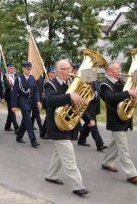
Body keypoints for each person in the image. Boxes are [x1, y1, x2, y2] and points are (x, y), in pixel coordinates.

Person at [44, 59, 89, 196]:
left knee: (59, 154)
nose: (68, 71)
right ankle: (78, 186)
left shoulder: (71, 84)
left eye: (69, 68)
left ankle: (51, 175)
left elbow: (79, 104)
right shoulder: (50, 84)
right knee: (69, 156)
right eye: (64, 69)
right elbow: (50, 101)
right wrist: (69, 96)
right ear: (57, 71)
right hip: (56, 126)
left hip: (68, 125)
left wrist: (89, 119)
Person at [100, 61, 137, 185]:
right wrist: (128, 93)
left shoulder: (121, 81)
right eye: (116, 69)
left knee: (115, 143)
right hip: (115, 119)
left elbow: (126, 95)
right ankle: (132, 174)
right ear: (109, 71)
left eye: (119, 68)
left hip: (124, 118)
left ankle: (107, 162)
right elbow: (109, 98)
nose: (119, 71)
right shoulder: (105, 84)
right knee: (124, 148)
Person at [11, 62, 40, 148]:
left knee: (25, 120)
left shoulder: (32, 78)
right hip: (23, 101)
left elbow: (36, 91)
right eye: (27, 69)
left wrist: (38, 101)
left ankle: (19, 137)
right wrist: (14, 105)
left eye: (30, 69)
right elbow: (14, 93)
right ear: (23, 69)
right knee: (28, 121)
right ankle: (33, 140)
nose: (29, 71)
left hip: (31, 101)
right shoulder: (19, 79)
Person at [78, 80, 108, 152]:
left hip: (94, 108)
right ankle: (99, 145)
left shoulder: (96, 82)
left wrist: (108, 100)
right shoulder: (84, 83)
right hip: (86, 109)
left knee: (88, 125)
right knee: (93, 126)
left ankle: (81, 140)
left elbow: (100, 94)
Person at [40, 67, 56, 139]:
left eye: (54, 72)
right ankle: (44, 133)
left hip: (53, 101)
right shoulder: (46, 81)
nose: (54, 74)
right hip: (47, 101)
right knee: (49, 117)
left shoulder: (54, 80)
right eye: (53, 73)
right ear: (49, 73)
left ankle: (43, 133)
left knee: (49, 117)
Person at [3, 63, 19, 134]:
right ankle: (17, 128)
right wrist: (14, 87)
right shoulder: (5, 76)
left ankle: (7, 126)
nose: (12, 69)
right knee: (12, 112)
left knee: (10, 111)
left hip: (15, 96)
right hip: (9, 96)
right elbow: (8, 85)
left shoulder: (16, 75)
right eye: (11, 68)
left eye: (13, 68)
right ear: (8, 69)